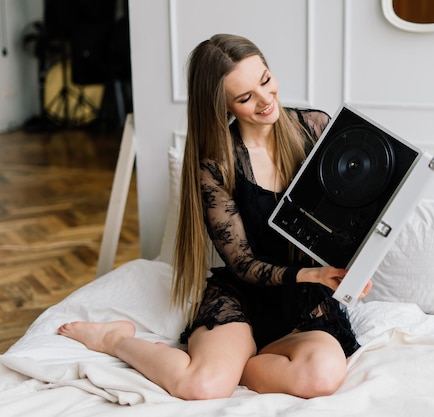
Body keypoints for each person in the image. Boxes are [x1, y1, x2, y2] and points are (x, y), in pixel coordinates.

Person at [58, 33, 371, 400]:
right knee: (202, 386)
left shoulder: (315, 128)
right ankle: (115, 340)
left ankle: (242, 359)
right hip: (247, 295)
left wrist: (354, 267)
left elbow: (352, 219)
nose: (266, 100)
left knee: (322, 377)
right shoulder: (217, 163)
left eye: (266, 81)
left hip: (307, 302)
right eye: (245, 98)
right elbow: (242, 264)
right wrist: (311, 272)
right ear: (222, 106)